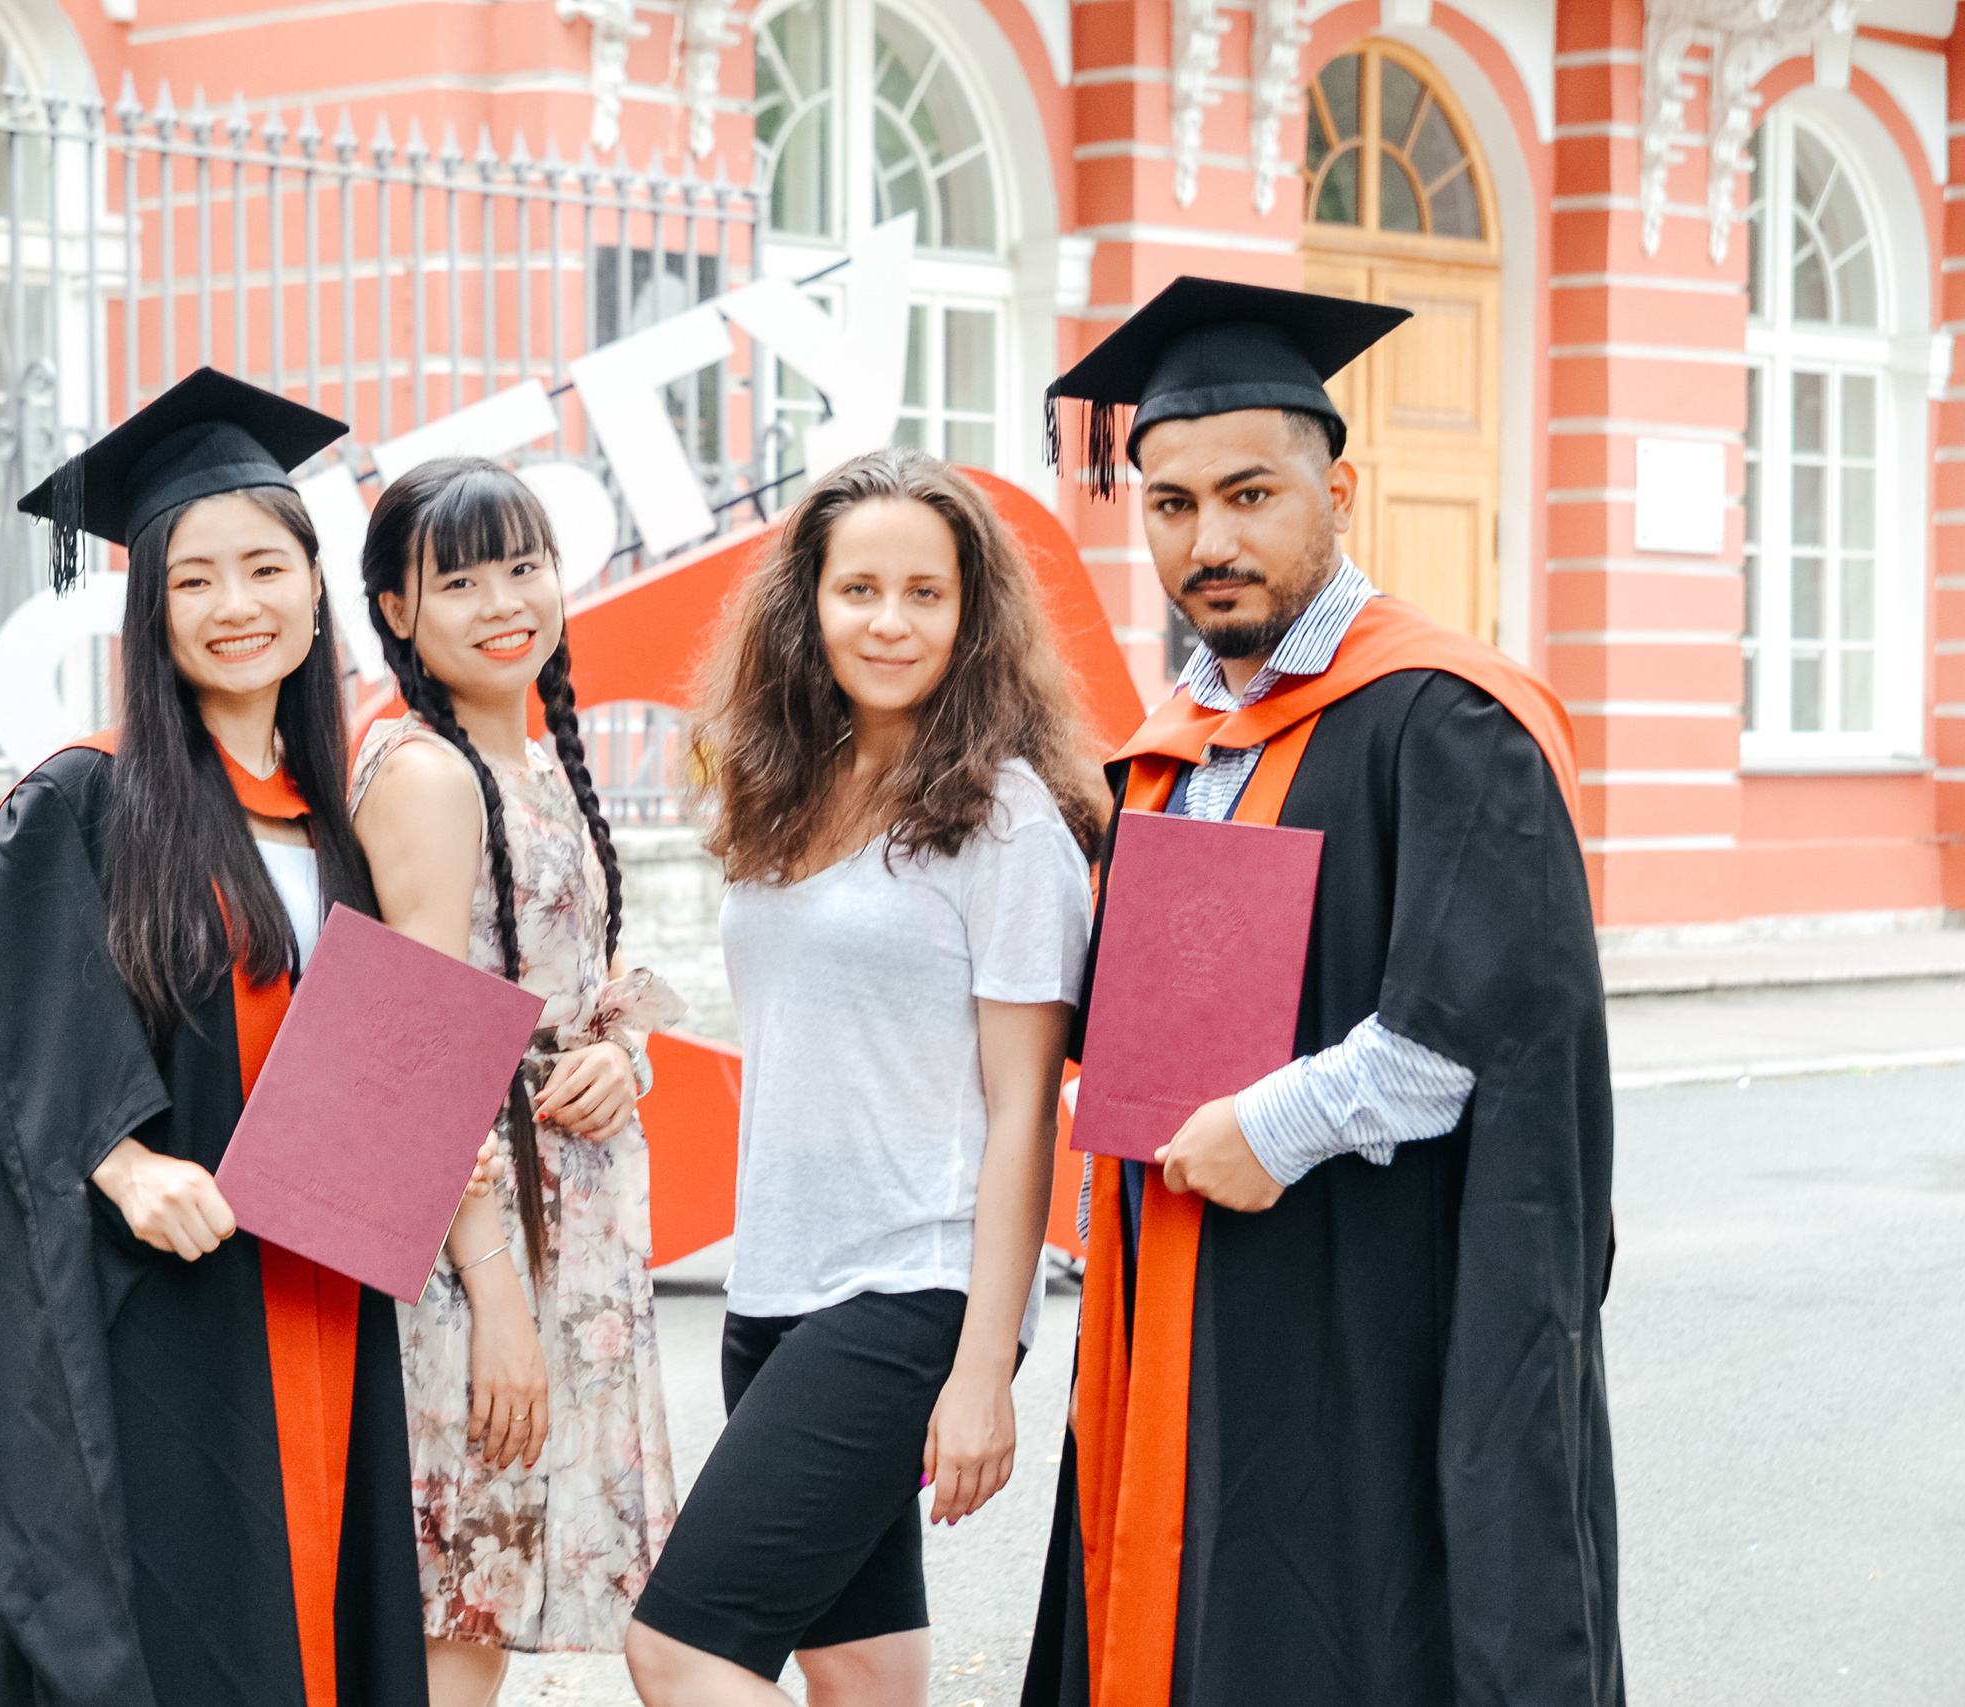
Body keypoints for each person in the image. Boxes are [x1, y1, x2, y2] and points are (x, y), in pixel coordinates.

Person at [1019, 277, 1620, 1707]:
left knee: (1345, 1613)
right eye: (1170, 505)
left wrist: (1270, 1126)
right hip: (1189, 1283)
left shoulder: (1448, 716)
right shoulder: (1182, 738)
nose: (1209, 540)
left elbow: (1465, 1031)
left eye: (1249, 493)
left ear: (1336, 487)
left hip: (1374, 1295)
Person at [0, 368, 455, 1707]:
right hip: (167, 1324)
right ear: (153, 611)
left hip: (322, 1299)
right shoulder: (84, 800)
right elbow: (2, 1036)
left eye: (264, 567)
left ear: (318, 592)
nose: (235, 604)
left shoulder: (337, 829)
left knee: (323, 1632)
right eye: (194, 579)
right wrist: (125, 1162)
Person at [623, 447, 1104, 1707]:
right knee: (864, 1685)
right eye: (858, 590)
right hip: (774, 1287)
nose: (889, 622)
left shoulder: (1003, 823)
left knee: (677, 1653)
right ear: (809, 603)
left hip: (910, 1295)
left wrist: (982, 1364)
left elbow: (1023, 1112)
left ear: (971, 614)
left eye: (925, 594)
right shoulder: (784, 790)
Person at [348, 456, 683, 1707]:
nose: (504, 600)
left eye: (525, 566)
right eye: (461, 577)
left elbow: (558, 986)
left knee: (482, 1594)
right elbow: (414, 1059)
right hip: (477, 1244)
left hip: (565, 1227)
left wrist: (620, 1054)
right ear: (396, 612)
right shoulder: (430, 775)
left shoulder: (536, 767)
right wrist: (495, 1302)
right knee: (458, 1589)